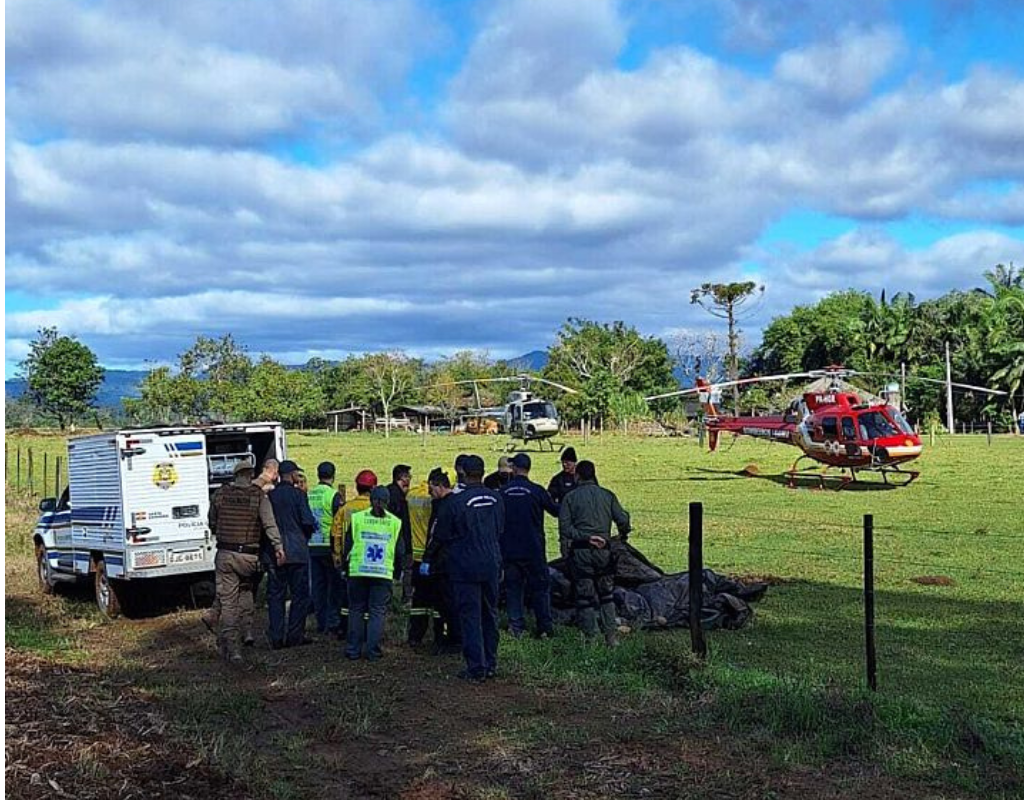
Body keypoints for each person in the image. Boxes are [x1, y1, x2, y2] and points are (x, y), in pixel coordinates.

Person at [423, 454, 503, 683]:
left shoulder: (454, 503)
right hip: (491, 563)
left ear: (462, 474)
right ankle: (490, 663)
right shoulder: (496, 498)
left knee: (470, 615)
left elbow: (440, 537)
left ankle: (476, 667)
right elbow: (500, 530)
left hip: (465, 566)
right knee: (490, 614)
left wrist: (429, 559)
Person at [209, 461, 284, 663]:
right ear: (250, 474)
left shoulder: (220, 495)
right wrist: (278, 547)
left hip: (225, 554)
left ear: (235, 475)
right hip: (249, 556)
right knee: (247, 590)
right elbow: (269, 524)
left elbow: (212, 522)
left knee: (228, 603)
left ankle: (233, 649)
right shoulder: (258, 496)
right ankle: (248, 630)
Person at [558, 460, 630, 647]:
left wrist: (584, 537)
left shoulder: (570, 498)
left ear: (577, 476)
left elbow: (565, 529)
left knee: (584, 597)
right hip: (603, 551)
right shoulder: (607, 495)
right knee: (606, 594)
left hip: (581, 552)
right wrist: (621, 535)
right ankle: (611, 637)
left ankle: (591, 638)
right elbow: (622, 519)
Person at [499, 453, 558, 639]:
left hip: (509, 549)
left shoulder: (503, 491)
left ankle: (516, 627)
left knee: (513, 588)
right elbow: (556, 511)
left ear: (514, 468)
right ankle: (544, 628)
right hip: (533, 549)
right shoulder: (537, 490)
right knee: (540, 589)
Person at [342, 486, 404, 661]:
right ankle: (373, 652)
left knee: (356, 610)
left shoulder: (357, 519)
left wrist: (344, 569)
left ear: (370, 500)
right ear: (388, 502)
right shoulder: (395, 522)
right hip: (382, 573)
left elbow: (347, 546)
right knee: (377, 612)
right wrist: (397, 572)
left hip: (358, 571)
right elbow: (400, 551)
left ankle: (353, 650)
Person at [266, 460, 316, 648]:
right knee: (299, 595)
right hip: (297, 552)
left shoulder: (270, 496)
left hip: (275, 553)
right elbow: (308, 521)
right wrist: (306, 536)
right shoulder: (299, 496)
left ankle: (276, 637)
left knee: (276, 595)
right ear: (292, 475)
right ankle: (295, 635)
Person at [332, 470, 378, 633]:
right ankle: (366, 630)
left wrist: (337, 554)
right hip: (372, 558)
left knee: (348, 596)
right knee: (367, 598)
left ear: (357, 487)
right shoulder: (375, 508)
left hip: (350, 557)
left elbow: (335, 532)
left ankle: (344, 627)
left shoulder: (346, 508)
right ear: (373, 488)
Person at [421, 468, 461, 654]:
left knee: (447, 603)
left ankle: (451, 639)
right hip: (450, 560)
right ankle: (449, 636)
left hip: (444, 562)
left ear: (439, 486)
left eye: (431, 488)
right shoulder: (453, 503)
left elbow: (437, 536)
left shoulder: (445, 507)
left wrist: (427, 558)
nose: (429, 492)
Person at [307, 461, 344, 637]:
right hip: (329, 547)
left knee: (318, 587)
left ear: (318, 474)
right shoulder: (333, 495)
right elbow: (339, 522)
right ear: (333, 475)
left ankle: (320, 623)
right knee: (334, 586)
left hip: (311, 545)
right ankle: (333, 622)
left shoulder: (309, 494)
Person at [406, 476, 437, 646]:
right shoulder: (434, 499)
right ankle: (439, 636)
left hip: (416, 554)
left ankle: (415, 636)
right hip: (431, 555)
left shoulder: (411, 495)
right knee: (437, 598)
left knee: (418, 599)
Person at [387, 464, 414, 602]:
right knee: (400, 570)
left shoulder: (388, 491)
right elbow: (402, 523)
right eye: (407, 476)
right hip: (398, 539)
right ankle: (400, 599)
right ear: (401, 478)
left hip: (387, 538)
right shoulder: (399, 497)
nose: (409, 479)